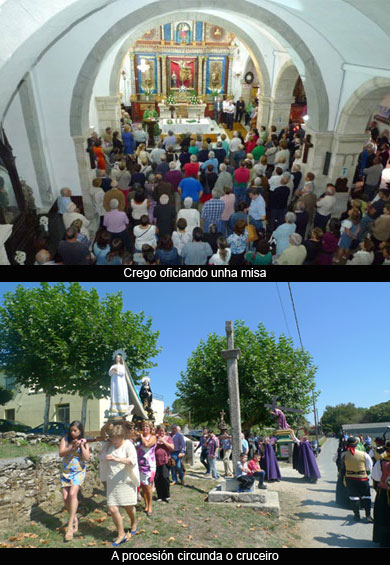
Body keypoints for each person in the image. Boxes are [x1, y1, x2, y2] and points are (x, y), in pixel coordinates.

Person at [99, 424, 139, 546]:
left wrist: (117, 459)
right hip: (112, 481)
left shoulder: (128, 445)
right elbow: (101, 457)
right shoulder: (108, 445)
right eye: (113, 438)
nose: (115, 441)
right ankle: (121, 534)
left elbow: (132, 460)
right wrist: (106, 447)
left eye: (117, 438)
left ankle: (133, 523)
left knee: (128, 507)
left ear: (122, 436)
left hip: (126, 481)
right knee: (112, 508)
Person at [59, 421, 90, 542]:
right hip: (66, 471)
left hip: (78, 472)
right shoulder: (65, 439)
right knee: (66, 498)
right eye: (71, 430)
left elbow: (86, 458)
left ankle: (70, 526)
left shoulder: (84, 441)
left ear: (80, 431)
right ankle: (75, 518)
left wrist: (81, 445)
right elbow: (61, 453)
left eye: (75, 431)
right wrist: (71, 448)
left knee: (72, 495)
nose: (73, 433)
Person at [135, 421, 156, 517]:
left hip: (149, 465)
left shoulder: (153, 437)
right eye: (143, 426)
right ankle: (146, 504)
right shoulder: (139, 438)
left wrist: (141, 436)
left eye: (147, 426)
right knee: (143, 486)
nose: (145, 428)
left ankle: (150, 506)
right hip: (140, 464)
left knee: (148, 486)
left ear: (150, 428)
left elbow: (147, 444)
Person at [372, 439, 390, 547]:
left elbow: (375, 477)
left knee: (383, 516)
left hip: (383, 494)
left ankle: (384, 541)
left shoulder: (380, 462)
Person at [154, 425, 174, 503]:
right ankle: (160, 495)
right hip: (155, 461)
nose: (161, 432)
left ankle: (167, 495)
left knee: (165, 477)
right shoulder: (155, 438)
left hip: (165, 461)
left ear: (165, 431)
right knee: (157, 479)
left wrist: (163, 441)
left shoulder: (168, 438)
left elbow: (172, 448)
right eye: (160, 430)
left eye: (163, 431)